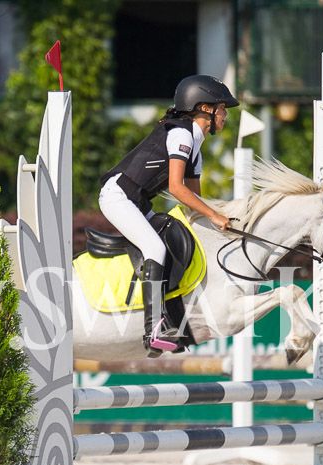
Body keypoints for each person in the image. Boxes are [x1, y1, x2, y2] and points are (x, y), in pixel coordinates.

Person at [98, 75, 239, 356]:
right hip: (117, 197)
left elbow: (195, 203)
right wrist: (214, 215)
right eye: (222, 108)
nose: (225, 115)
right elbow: (176, 188)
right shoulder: (181, 134)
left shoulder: (195, 148)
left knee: (175, 240)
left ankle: (174, 319)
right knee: (155, 248)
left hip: (137, 202)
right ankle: (153, 330)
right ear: (205, 108)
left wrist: (225, 221)